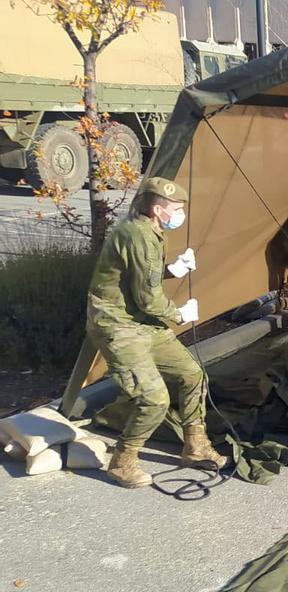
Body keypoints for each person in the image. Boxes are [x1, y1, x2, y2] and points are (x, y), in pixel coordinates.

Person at [85, 177, 225, 489]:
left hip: (141, 321)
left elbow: (140, 276)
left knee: (192, 374)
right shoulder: (136, 234)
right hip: (119, 326)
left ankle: (196, 446)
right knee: (155, 399)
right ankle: (122, 462)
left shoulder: (147, 230)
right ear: (158, 209)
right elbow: (148, 298)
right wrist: (180, 314)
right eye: (176, 209)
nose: (180, 215)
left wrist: (172, 270)